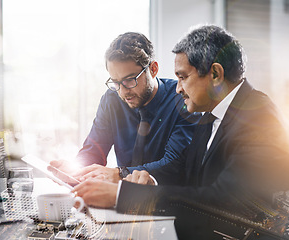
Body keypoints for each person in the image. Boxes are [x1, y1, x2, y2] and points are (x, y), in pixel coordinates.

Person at [73, 24, 289, 236]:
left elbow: (226, 203)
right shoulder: (210, 116)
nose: (178, 88)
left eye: (183, 77)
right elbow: (184, 173)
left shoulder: (261, 119)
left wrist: (124, 196)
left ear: (215, 74)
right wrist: (149, 180)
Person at [51, 32, 200, 183]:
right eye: (116, 82)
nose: (123, 91)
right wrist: (76, 172)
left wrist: (121, 174)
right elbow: (94, 149)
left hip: (166, 199)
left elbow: (173, 165)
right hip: (122, 198)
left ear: (153, 69)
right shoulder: (111, 100)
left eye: (129, 80)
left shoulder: (183, 99)